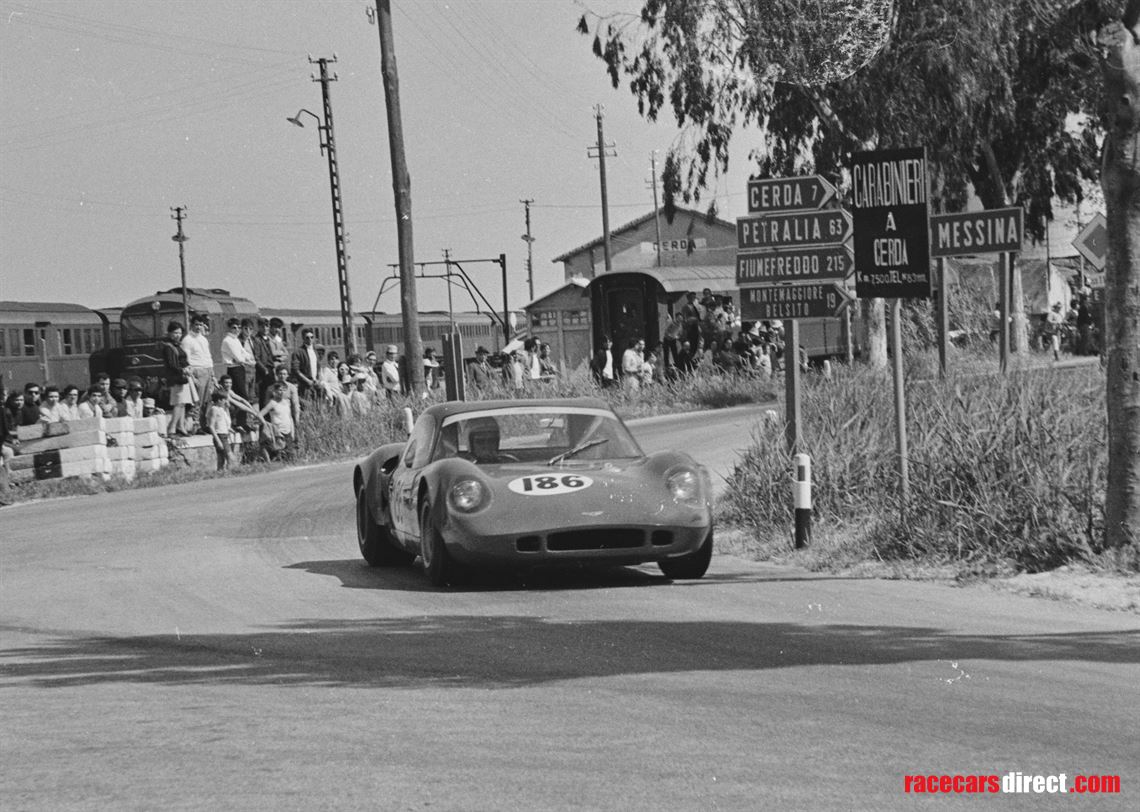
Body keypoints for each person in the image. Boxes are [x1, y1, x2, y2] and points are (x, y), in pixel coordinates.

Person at [182, 316, 215, 430]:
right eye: (196, 324)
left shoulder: (203, 339)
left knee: (207, 400)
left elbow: (208, 356)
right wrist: (192, 377)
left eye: (200, 325)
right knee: (198, 401)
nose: (198, 327)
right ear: (191, 325)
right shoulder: (187, 340)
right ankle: (195, 425)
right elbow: (186, 360)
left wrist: (212, 374)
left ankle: (204, 423)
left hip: (207, 370)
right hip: (197, 370)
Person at [161, 320, 194, 436]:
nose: (177, 335)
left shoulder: (177, 346)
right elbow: (171, 364)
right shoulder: (168, 347)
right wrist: (182, 370)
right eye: (175, 333)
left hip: (183, 377)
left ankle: (181, 426)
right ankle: (172, 427)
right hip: (176, 378)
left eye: (179, 333)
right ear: (169, 333)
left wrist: (188, 367)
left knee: (183, 402)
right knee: (178, 403)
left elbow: (183, 360)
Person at [221, 317, 256, 403]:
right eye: (234, 327)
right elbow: (239, 358)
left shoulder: (235, 340)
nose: (237, 330)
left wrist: (249, 358)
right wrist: (250, 362)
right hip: (234, 369)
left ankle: (242, 416)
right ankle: (241, 416)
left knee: (242, 394)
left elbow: (244, 353)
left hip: (240, 368)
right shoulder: (228, 341)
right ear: (229, 328)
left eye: (239, 327)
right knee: (241, 395)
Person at [258, 382, 296, 461]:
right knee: (277, 452)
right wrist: (266, 424)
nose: (282, 392)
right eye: (279, 390)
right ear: (275, 391)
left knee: (291, 455)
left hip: (288, 430)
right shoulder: (272, 403)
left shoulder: (287, 402)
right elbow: (260, 414)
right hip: (278, 431)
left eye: (284, 390)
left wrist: (292, 431)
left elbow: (290, 417)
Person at [206, 390, 235, 471]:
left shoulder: (222, 409)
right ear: (219, 400)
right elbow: (211, 426)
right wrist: (218, 440)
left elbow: (225, 422)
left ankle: (220, 472)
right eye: (224, 400)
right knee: (230, 457)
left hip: (224, 434)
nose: (225, 401)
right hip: (220, 435)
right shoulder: (214, 409)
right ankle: (230, 472)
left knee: (221, 458)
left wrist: (230, 429)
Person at [251, 317, 277, 405]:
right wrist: (264, 369)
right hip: (263, 371)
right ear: (259, 327)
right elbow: (256, 357)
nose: (265, 329)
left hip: (270, 368)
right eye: (263, 327)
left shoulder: (268, 339)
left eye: (267, 326)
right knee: (264, 394)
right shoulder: (257, 340)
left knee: (271, 393)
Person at [289, 328, 320, 401]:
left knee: (317, 406)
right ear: (303, 338)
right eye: (307, 337)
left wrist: (318, 379)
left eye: (312, 337)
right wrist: (307, 381)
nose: (310, 339)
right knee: (306, 407)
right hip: (305, 386)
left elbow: (318, 367)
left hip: (315, 384)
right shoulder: (298, 352)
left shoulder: (315, 351)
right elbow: (295, 370)